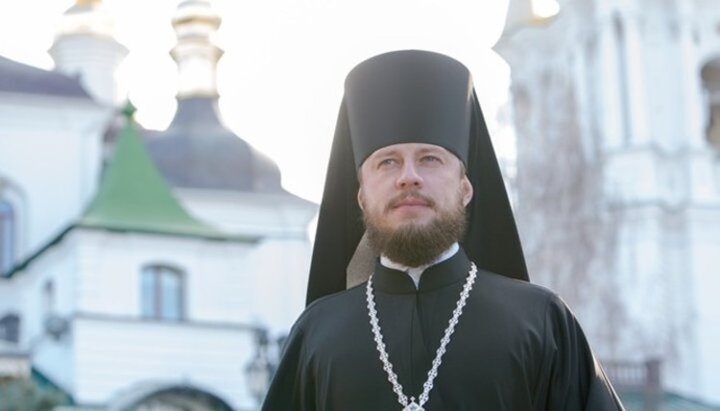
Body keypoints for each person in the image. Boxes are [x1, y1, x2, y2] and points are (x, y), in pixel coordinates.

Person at [262, 50, 624, 411]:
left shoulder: (541, 322)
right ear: (360, 196)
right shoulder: (317, 335)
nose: (409, 177)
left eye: (429, 159)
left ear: (465, 188)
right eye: (387, 163)